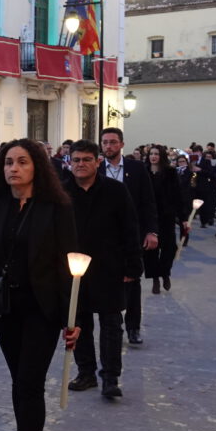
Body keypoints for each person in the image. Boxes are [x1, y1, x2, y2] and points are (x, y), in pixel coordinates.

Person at [0, 139, 79, 431]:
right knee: (20, 382)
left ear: (37, 168)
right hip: (5, 308)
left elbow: (69, 264)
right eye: (8, 162)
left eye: (22, 162)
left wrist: (74, 318)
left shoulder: (55, 207)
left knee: (30, 383)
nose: (13, 168)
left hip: (42, 308)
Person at [63, 140, 142, 400]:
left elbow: (130, 228)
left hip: (109, 267)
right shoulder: (61, 192)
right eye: (76, 160)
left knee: (111, 324)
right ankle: (86, 373)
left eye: (87, 159)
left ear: (97, 162)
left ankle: (110, 378)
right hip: (74, 270)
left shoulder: (115, 190)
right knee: (78, 322)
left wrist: (133, 265)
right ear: (69, 162)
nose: (81, 164)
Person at [99, 127, 157, 346]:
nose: (109, 146)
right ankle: (113, 325)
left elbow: (148, 201)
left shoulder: (137, 168)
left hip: (132, 235)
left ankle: (133, 327)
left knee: (132, 282)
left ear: (121, 144)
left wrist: (151, 231)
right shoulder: (96, 168)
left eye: (113, 142)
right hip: (104, 237)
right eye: (105, 142)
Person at [145, 145, 187, 292]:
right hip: (149, 216)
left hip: (166, 216)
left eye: (156, 154)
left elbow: (178, 195)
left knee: (169, 248)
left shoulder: (170, 172)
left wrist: (183, 218)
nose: (153, 156)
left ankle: (165, 273)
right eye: (151, 154)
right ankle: (155, 278)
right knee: (150, 250)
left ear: (161, 156)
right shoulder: (144, 171)